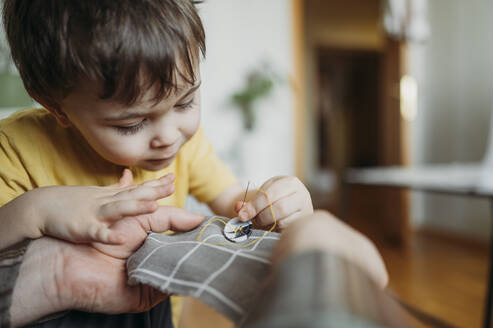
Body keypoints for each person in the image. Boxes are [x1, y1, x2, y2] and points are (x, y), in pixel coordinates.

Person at [0, 0, 314, 326]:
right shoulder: (13, 150)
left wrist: (277, 205)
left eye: (186, 102)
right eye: (132, 124)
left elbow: (238, 207)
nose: (168, 136)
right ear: (56, 107)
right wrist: (36, 210)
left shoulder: (186, 149)